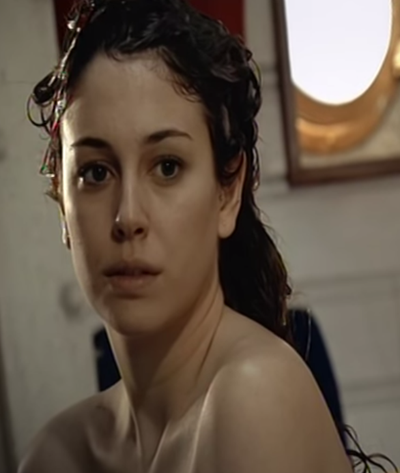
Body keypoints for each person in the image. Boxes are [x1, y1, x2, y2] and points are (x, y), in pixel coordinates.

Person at [19, 1, 365, 472]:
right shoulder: (54, 454)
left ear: (228, 192)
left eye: (167, 166)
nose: (128, 217)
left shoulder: (255, 396)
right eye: (96, 172)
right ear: (63, 204)